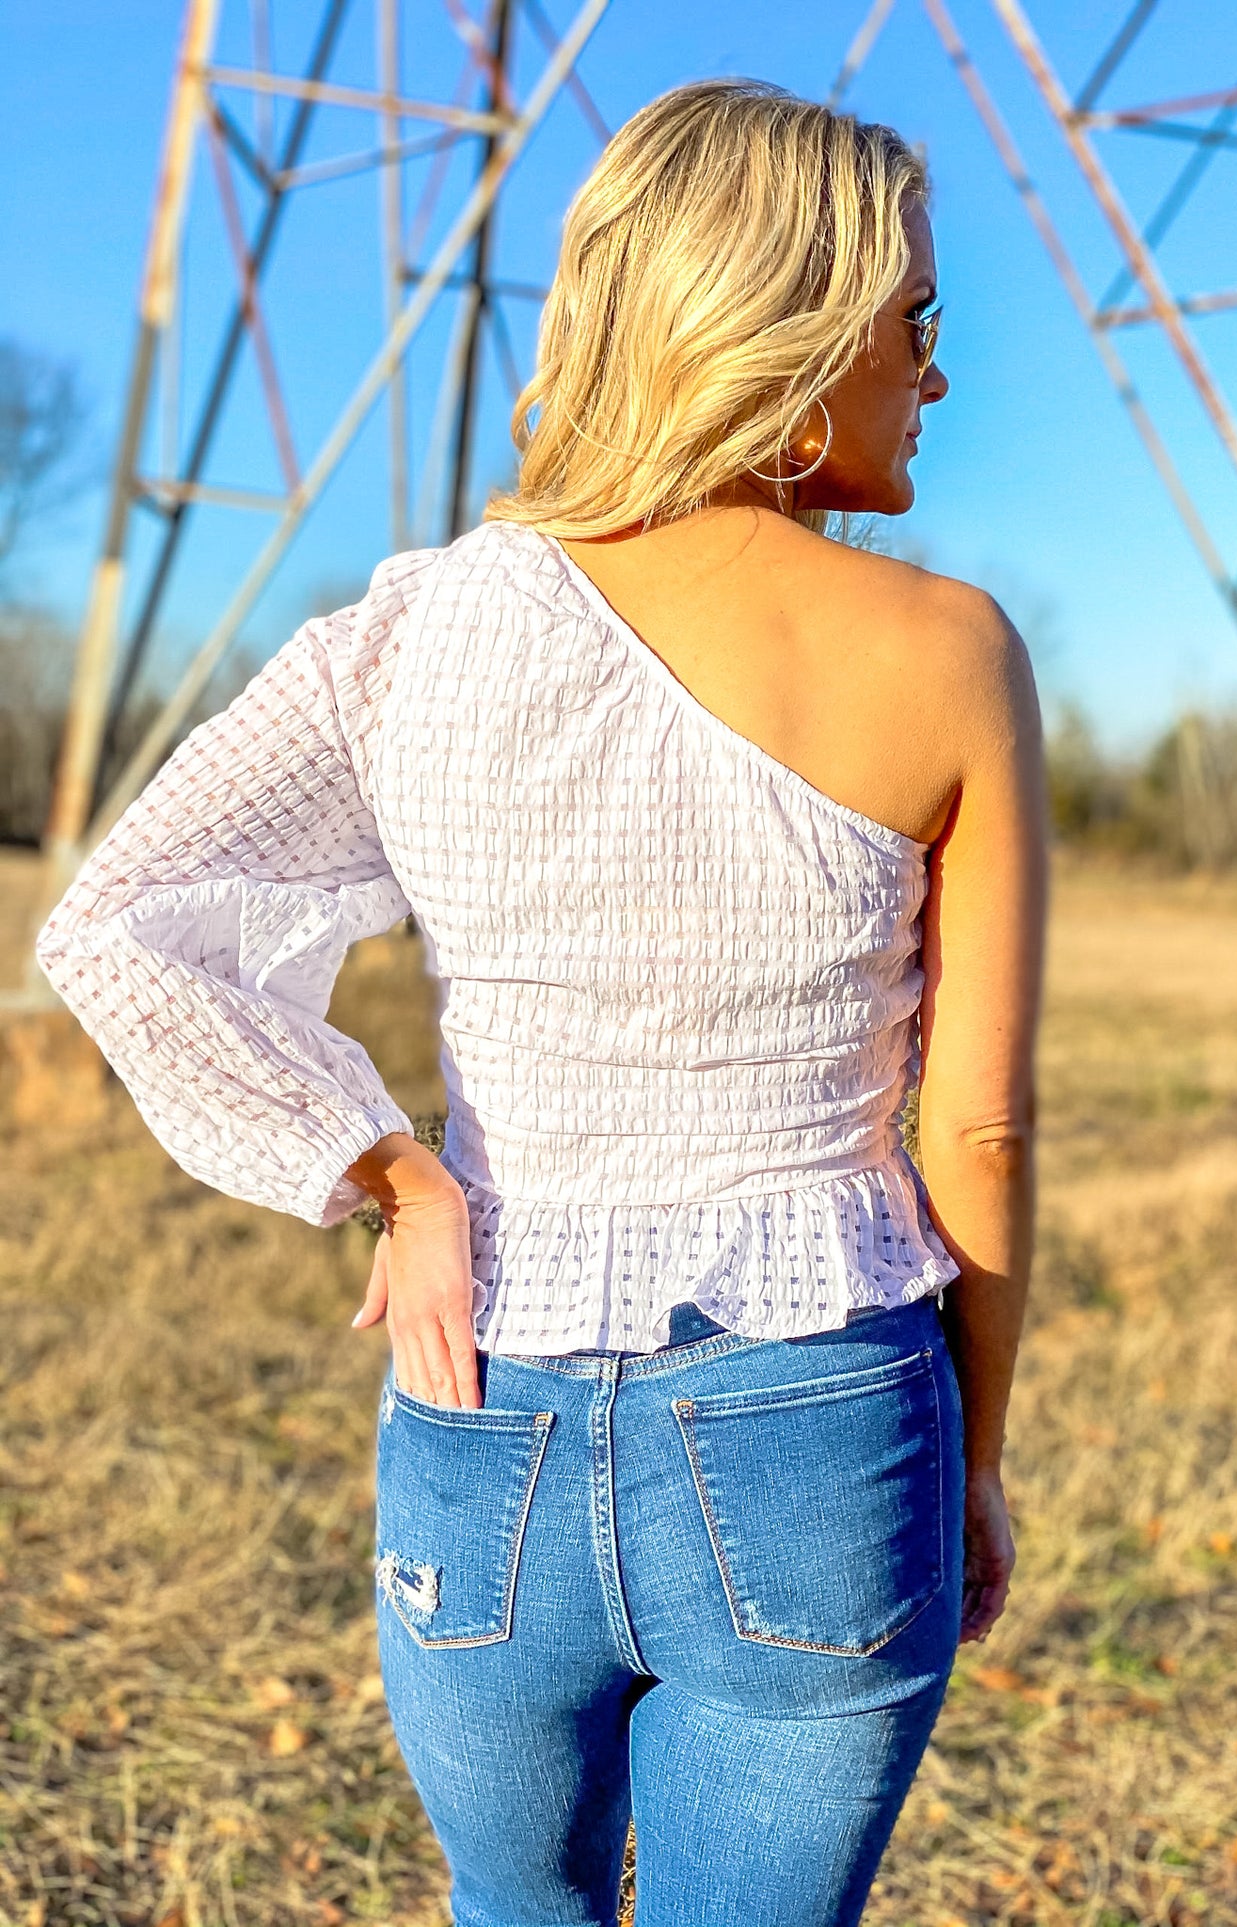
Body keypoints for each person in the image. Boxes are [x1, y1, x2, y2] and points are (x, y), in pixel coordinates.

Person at [35, 77, 1047, 1927]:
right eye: (915, 322)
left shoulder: (415, 633)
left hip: (477, 1402)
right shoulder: (947, 651)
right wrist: (972, 1461)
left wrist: (385, 1169)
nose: (935, 371)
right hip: (823, 1416)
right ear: (792, 328)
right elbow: (974, 1127)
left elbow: (119, 921)